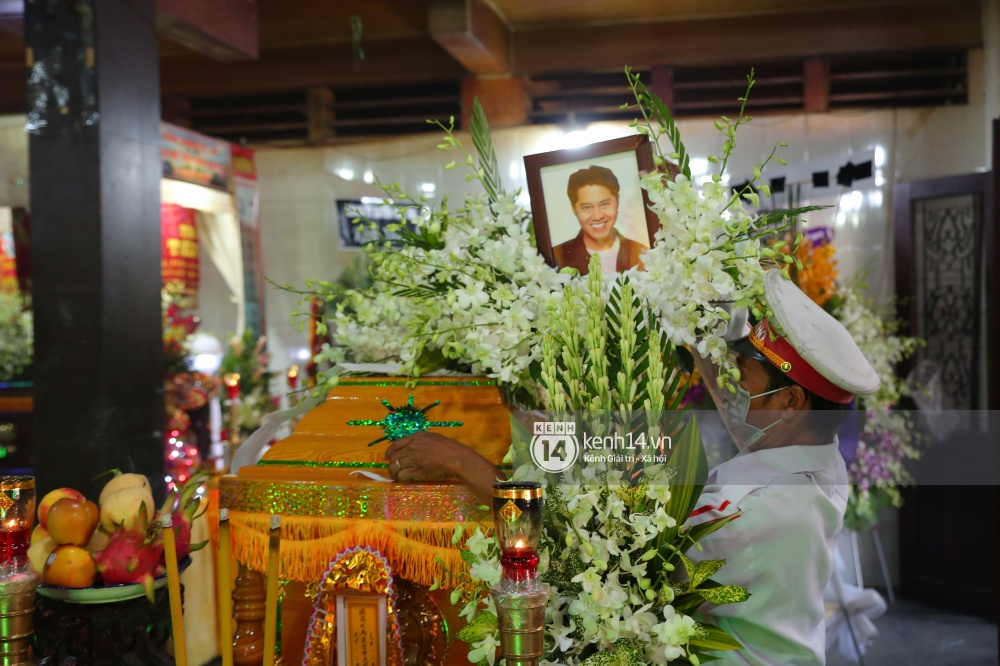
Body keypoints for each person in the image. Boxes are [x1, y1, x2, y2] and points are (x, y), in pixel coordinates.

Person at [687, 269, 880, 665]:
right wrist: (698, 342)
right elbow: (751, 429)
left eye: (744, 376)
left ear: (791, 401)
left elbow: (654, 577)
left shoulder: (744, 512)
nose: (735, 386)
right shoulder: (823, 458)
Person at [551, 164, 648, 275]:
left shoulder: (643, 253)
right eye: (587, 207)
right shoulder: (555, 258)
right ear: (574, 209)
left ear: (617, 201)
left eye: (604, 204)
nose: (597, 216)